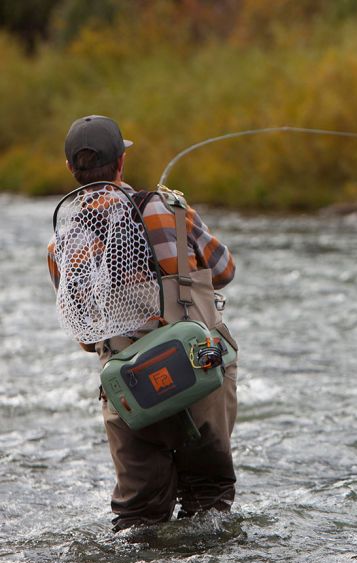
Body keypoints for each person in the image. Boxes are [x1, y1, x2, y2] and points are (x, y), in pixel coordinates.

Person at [47, 115, 238, 531]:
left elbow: (85, 336)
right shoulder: (169, 207)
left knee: (138, 520)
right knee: (209, 503)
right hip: (197, 372)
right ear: (121, 163)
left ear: (71, 171)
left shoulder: (61, 243)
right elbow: (225, 270)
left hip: (130, 389)